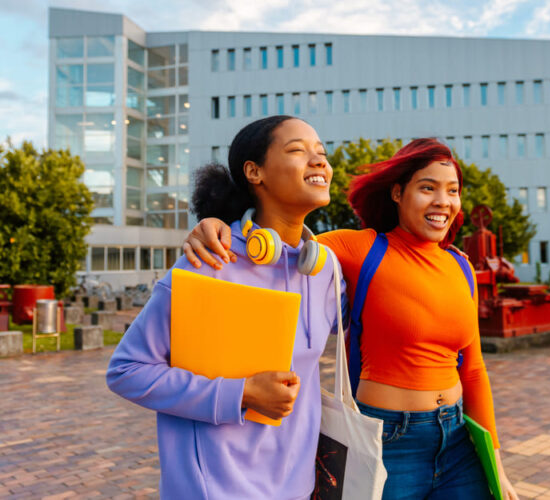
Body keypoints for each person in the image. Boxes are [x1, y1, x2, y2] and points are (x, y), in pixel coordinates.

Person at [184, 138, 520, 500]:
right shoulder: (360, 248)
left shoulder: (460, 266)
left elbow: (473, 370)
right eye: (428, 188)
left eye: (452, 191)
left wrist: (497, 466)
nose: (443, 201)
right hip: (388, 440)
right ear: (397, 193)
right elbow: (272, 246)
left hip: (456, 441)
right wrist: (218, 223)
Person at [107, 116, 345, 500]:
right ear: (254, 172)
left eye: (321, 152)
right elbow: (127, 371)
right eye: (297, 150)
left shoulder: (324, 270)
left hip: (297, 487)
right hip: (215, 489)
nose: (319, 161)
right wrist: (241, 394)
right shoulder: (209, 259)